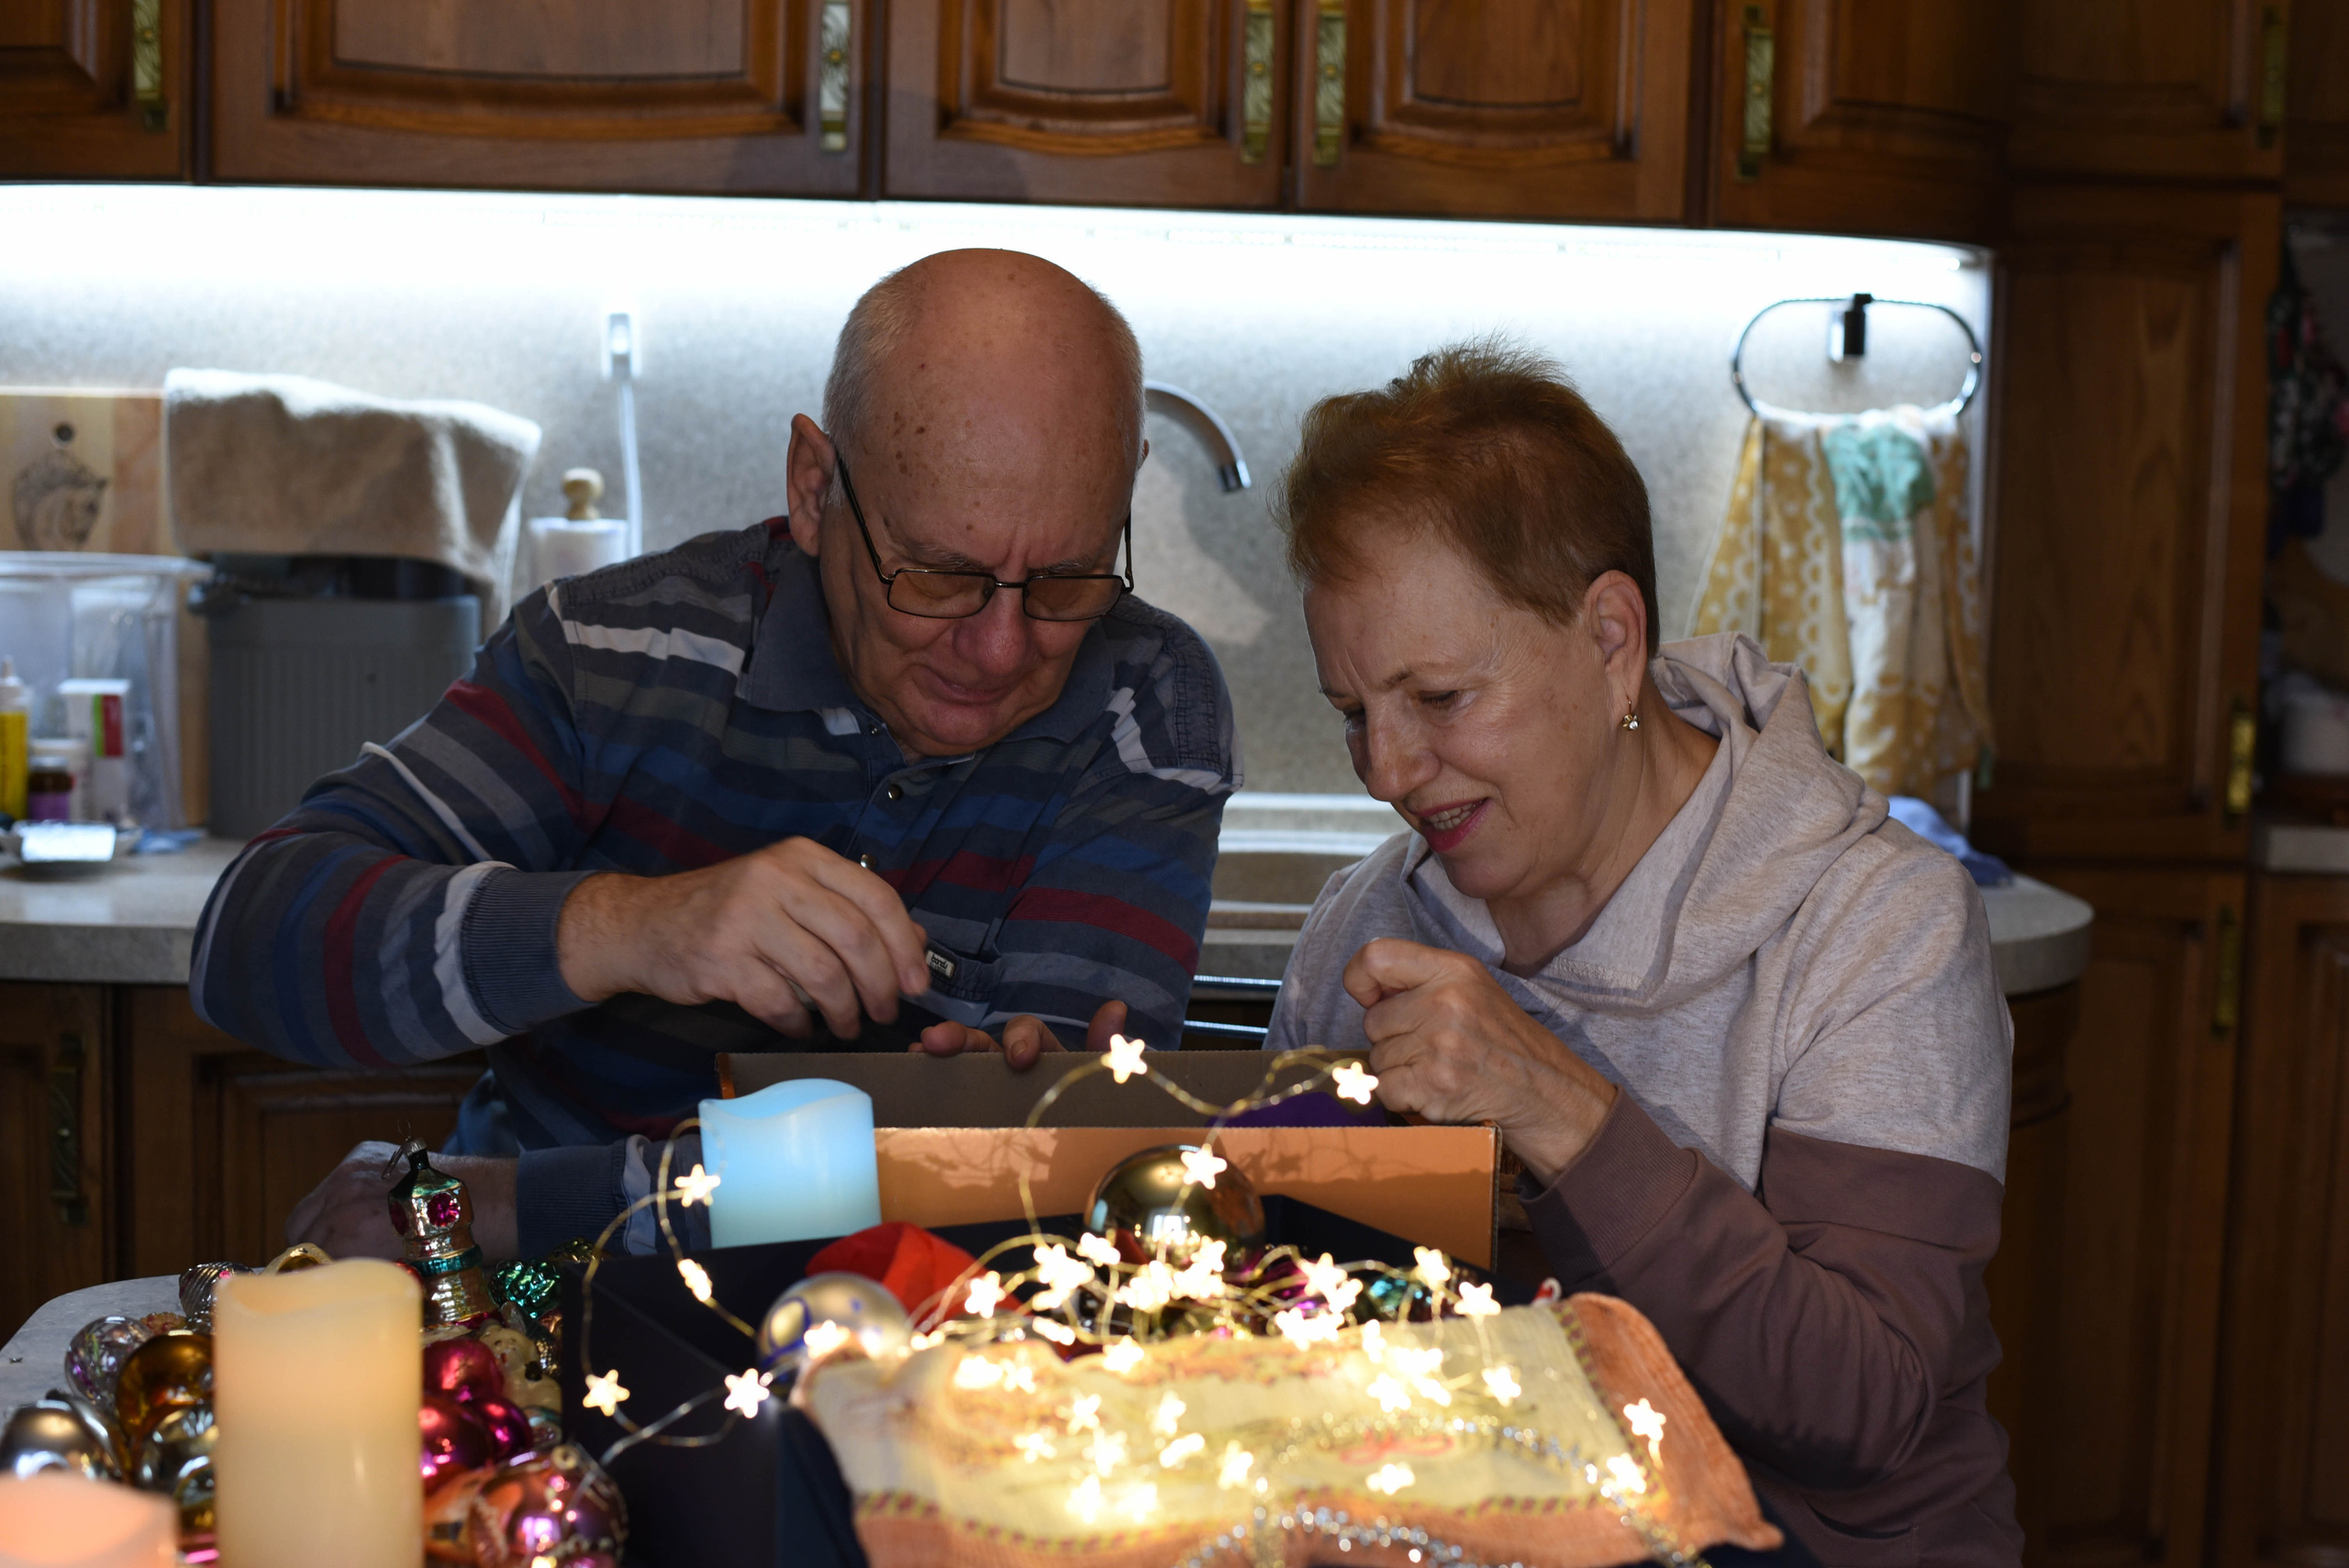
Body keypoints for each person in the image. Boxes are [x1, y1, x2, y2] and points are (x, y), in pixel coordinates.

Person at [194, 250, 1240, 1262]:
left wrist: (510, 1202)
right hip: (534, 1321)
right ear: (815, 488)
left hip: (910, 1344)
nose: (1002, 646)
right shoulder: (608, 654)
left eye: (1066, 575)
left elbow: (1008, 1172)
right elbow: (246, 945)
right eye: (933, 574)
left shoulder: (1144, 700)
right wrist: (628, 925)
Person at [1264, 341, 2017, 1562]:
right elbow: (1291, 1321)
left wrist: (1553, 1103)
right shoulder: (1364, 930)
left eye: (1440, 698)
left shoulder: (1879, 928)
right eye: (1356, 713)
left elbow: (1863, 1407)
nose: (1389, 773)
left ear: (1613, 640)